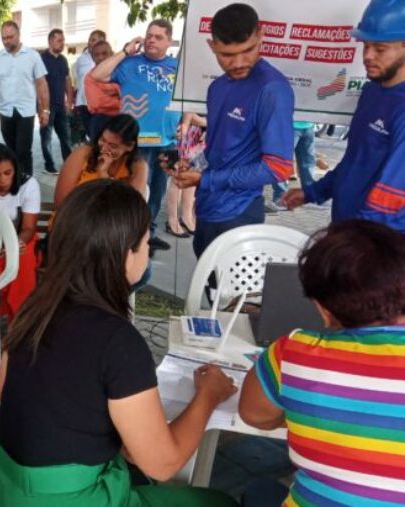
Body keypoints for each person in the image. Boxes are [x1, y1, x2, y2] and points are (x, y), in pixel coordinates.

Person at [0, 179, 239, 507]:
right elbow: (162, 464)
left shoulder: (36, 308)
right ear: (125, 254)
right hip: (71, 500)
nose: (148, 253)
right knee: (219, 503)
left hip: (8, 492)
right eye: (147, 243)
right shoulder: (118, 342)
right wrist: (208, 396)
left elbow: (1, 387)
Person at [238, 220, 405, 507]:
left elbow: (254, 414)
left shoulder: (292, 353)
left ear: (322, 309)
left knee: (259, 491)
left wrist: (306, 413)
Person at [170, 4, 294, 257]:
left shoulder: (272, 89)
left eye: (248, 50)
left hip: (239, 212)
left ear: (260, 37)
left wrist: (205, 179)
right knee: (211, 290)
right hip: (206, 208)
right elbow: (217, 149)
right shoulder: (217, 87)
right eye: (227, 54)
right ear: (212, 45)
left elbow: (279, 168)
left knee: (236, 296)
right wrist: (190, 165)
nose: (238, 63)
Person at [281, 0, 405, 232]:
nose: (367, 56)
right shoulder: (371, 92)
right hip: (349, 230)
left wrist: (356, 242)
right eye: (365, 45)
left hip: (378, 243)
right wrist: (313, 192)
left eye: (380, 49)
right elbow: (354, 161)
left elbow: (394, 199)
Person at [91, 19, 181, 254]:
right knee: (134, 189)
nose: (151, 39)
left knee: (157, 191)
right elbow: (98, 75)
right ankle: (131, 234)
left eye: (158, 37)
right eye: (149, 35)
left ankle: (148, 234)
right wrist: (124, 51)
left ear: (169, 41)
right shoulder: (129, 64)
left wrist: (187, 122)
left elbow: (188, 99)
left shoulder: (177, 66)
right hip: (135, 141)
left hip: (167, 141)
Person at [0, 143, 41, 320]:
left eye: (8, 173)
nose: (3, 180)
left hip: (22, 238)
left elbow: (28, 228)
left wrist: (14, 244)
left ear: (15, 170)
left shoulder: (28, 185)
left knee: (22, 260)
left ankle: (20, 319)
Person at [0, 21, 50, 178]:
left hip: (26, 111)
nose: (6, 41)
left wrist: (45, 110)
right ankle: (14, 182)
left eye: (10, 37)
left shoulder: (33, 56)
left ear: (18, 35)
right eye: (3, 38)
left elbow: (42, 84)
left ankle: (27, 182)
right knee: (11, 150)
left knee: (23, 150)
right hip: (5, 111)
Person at [54, 114, 148, 209]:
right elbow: (60, 201)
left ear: (130, 146)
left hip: (112, 223)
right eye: (102, 140)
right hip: (72, 216)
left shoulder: (138, 166)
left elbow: (134, 210)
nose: (104, 149)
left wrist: (103, 176)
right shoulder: (83, 154)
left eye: (113, 146)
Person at [39, 29, 74, 174]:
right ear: (50, 41)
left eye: (63, 40)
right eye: (59, 40)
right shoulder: (41, 59)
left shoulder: (63, 60)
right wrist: (41, 107)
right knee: (46, 138)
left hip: (60, 105)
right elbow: (37, 83)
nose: (62, 43)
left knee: (66, 137)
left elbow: (67, 80)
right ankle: (49, 166)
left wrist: (70, 100)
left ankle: (70, 164)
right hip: (46, 106)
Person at [72, 29, 107, 138]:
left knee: (99, 133)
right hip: (83, 103)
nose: (90, 42)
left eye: (93, 40)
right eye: (89, 40)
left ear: (102, 42)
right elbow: (77, 77)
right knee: (91, 135)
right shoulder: (81, 59)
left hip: (100, 103)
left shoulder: (108, 58)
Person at [83, 41, 121, 135]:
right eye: (97, 55)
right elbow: (96, 104)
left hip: (123, 120)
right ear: (92, 58)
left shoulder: (123, 74)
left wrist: (107, 96)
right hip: (101, 121)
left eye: (104, 53)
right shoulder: (90, 77)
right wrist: (120, 98)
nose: (100, 57)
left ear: (112, 54)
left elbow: (133, 95)